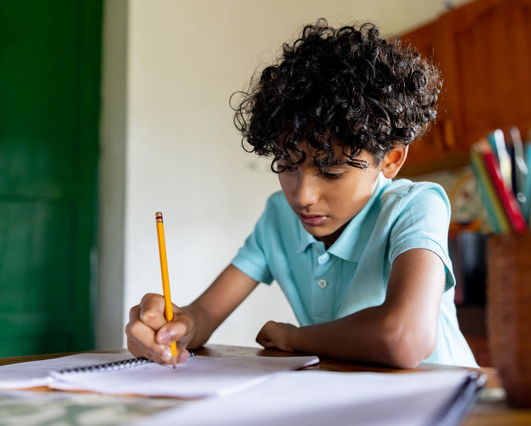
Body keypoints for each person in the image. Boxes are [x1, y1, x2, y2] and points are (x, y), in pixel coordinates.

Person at [126, 19, 477, 369]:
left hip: (449, 406)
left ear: (390, 159)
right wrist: (175, 327)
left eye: (331, 171)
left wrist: (293, 338)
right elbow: (203, 313)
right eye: (287, 165)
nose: (303, 196)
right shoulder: (279, 216)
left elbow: (403, 338)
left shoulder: (416, 207)